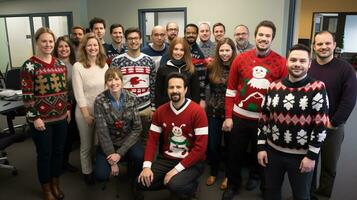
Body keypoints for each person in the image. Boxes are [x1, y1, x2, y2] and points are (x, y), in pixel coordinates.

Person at [222, 20, 288, 200]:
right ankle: (232, 185)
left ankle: (256, 179)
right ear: (255, 36)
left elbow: (282, 94)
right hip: (239, 117)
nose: (264, 38)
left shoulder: (281, 62)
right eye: (261, 35)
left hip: (264, 120)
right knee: (235, 154)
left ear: (272, 38)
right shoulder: (240, 59)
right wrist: (228, 116)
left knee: (261, 155)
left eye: (268, 36)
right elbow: (230, 90)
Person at [257, 44, 329, 200]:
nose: (297, 64)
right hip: (272, 153)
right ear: (287, 62)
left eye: (302, 61)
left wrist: (311, 156)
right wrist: (261, 147)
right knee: (271, 193)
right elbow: (264, 118)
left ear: (309, 64)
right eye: (293, 60)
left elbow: (321, 125)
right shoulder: (274, 86)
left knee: (301, 196)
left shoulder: (317, 88)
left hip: (301, 157)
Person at [136, 72, 208, 200]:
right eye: (171, 87)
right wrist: (146, 167)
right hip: (167, 159)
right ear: (167, 90)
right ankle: (173, 182)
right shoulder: (160, 111)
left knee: (175, 185)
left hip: (192, 162)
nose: (175, 90)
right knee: (141, 182)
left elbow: (200, 149)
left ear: (185, 89)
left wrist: (176, 170)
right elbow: (152, 140)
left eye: (178, 87)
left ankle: (191, 187)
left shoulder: (197, 112)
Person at [21, 27, 70, 200]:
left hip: (61, 118)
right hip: (41, 121)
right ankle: (47, 188)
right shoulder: (29, 65)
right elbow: (27, 96)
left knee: (58, 152)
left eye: (50, 41)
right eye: (44, 41)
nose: (48, 44)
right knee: (45, 154)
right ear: (37, 42)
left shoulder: (60, 64)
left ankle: (56, 184)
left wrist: (68, 109)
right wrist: (35, 117)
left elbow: (64, 91)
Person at [308, 31, 357, 199]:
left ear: (334, 45)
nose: (323, 47)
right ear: (314, 46)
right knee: (309, 161)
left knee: (329, 165)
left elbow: (349, 99)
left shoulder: (346, 69)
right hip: (309, 125)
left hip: (332, 126)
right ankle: (308, 193)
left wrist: (334, 122)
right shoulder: (309, 66)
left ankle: (323, 195)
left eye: (327, 43)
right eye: (319, 44)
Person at [93, 68, 144, 191]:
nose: (113, 83)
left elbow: (137, 128)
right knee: (100, 175)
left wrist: (119, 154)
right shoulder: (99, 100)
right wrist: (113, 159)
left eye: (116, 79)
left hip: (127, 140)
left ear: (122, 81)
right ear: (106, 83)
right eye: (110, 80)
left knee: (140, 156)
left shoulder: (131, 97)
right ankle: (117, 161)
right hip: (109, 142)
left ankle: (134, 182)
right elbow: (102, 132)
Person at [72, 32, 109, 185]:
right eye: (89, 45)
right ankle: (87, 172)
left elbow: (108, 89)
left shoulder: (104, 65)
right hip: (84, 112)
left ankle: (98, 167)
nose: (93, 48)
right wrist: (86, 114)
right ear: (84, 48)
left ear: (99, 47)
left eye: (95, 45)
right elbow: (78, 93)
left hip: (101, 112)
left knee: (99, 143)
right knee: (86, 145)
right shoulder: (78, 66)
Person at [111, 27, 156, 145]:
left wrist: (153, 108)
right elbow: (112, 86)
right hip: (125, 109)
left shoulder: (149, 61)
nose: (133, 41)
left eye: (136, 38)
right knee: (126, 141)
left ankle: (144, 163)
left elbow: (153, 85)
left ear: (141, 40)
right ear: (125, 41)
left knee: (146, 140)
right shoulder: (117, 61)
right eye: (130, 38)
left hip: (145, 109)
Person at [205, 38, 237, 190]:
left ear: (233, 51)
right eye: (221, 50)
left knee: (231, 146)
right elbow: (206, 86)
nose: (224, 53)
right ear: (218, 51)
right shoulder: (211, 67)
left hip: (232, 113)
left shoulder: (238, 66)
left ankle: (229, 176)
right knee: (213, 145)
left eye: (227, 50)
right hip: (213, 111)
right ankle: (213, 172)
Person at [53, 36, 79, 173]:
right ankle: (57, 164)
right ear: (56, 49)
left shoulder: (76, 64)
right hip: (59, 106)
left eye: (66, 46)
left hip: (75, 104)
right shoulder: (53, 64)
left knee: (69, 136)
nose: (64, 49)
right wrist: (66, 107)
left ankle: (65, 162)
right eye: (61, 46)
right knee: (59, 137)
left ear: (71, 48)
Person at [155, 37, 200, 107]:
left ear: (185, 52)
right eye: (176, 49)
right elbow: (158, 93)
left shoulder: (191, 69)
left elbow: (196, 94)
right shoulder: (162, 69)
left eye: (181, 50)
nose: (178, 53)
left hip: (187, 109)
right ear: (171, 50)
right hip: (167, 109)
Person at [184, 23, 207, 108]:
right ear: (185, 34)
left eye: (193, 33)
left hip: (194, 94)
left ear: (197, 35)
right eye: (188, 33)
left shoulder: (199, 54)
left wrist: (202, 98)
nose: (191, 35)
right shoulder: (178, 48)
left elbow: (201, 78)